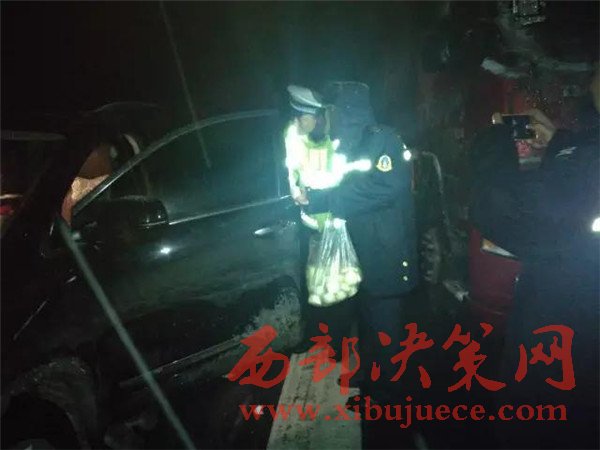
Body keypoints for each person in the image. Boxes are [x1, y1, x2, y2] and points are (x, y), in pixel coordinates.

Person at [473, 67, 599, 449]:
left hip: (567, 334)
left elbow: (505, 211)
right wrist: (559, 142)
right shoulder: (586, 148)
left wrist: (494, 140)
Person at [320, 81, 419, 402]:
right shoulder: (348, 145)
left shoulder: (383, 140)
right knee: (368, 319)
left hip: (386, 251)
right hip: (364, 248)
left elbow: (390, 185)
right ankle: (369, 377)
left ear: (347, 111)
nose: (328, 117)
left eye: (332, 111)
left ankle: (389, 398)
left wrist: (335, 199)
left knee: (386, 329)